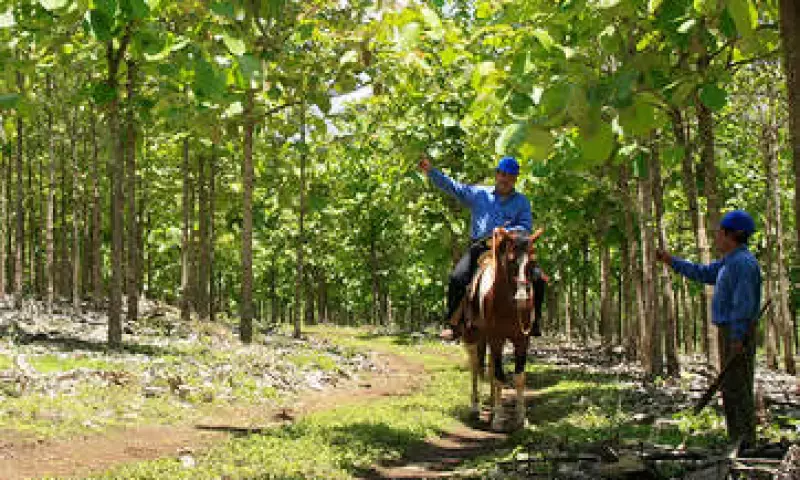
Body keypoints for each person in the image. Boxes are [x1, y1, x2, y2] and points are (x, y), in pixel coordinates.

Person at [656, 210, 762, 450]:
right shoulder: (729, 262)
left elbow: (743, 303)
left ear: (731, 235)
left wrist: (737, 337)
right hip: (730, 331)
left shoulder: (743, 263)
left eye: (720, 233)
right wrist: (671, 261)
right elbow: (703, 273)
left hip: (738, 333)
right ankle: (737, 439)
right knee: (731, 387)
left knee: (738, 387)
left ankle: (745, 442)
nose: (717, 237)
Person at [418, 155, 545, 339]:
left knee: (538, 278)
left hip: (510, 249)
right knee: (457, 277)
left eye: (510, 176)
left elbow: (525, 227)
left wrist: (506, 232)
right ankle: (454, 324)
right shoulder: (479, 194)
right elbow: (453, 187)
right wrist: (431, 171)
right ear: (497, 174)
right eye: (503, 174)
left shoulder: (521, 201)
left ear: (515, 179)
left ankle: (534, 321)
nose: (505, 179)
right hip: (481, 247)